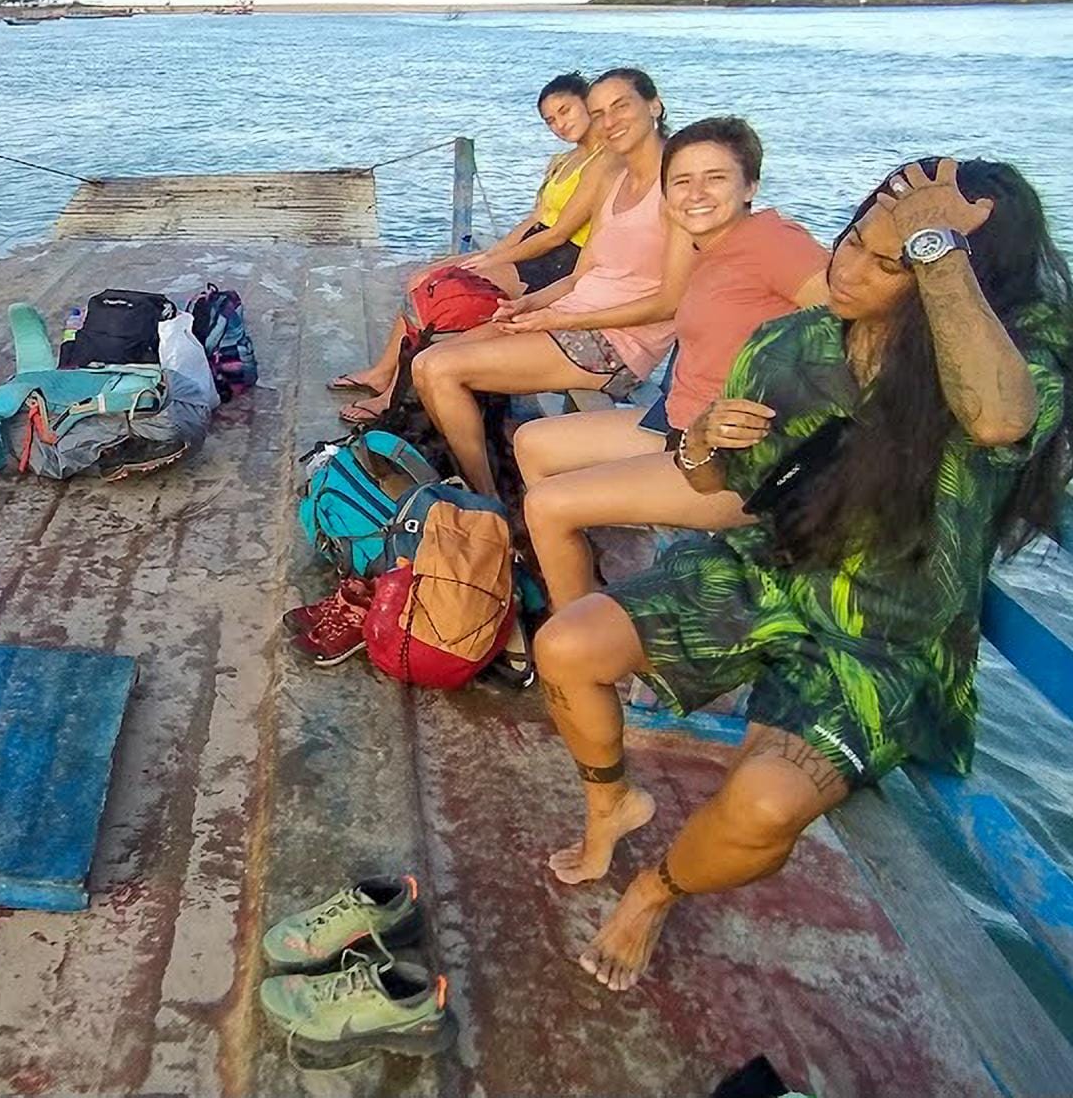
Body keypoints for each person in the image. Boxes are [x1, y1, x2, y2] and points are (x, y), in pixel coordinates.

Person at [534, 157, 1069, 992]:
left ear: (958, 277)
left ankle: (656, 891)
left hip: (885, 639)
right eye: (852, 241)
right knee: (565, 646)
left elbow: (999, 419)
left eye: (890, 262)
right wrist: (702, 441)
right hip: (769, 573)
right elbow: (722, 486)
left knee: (763, 806)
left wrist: (934, 243)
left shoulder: (1015, 362)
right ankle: (613, 804)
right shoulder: (796, 342)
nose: (847, 271)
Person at [514, 117, 830, 607]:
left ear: (750, 186)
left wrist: (800, 425)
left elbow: (853, 323)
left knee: (548, 505)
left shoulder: (773, 242)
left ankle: (574, 624)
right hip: (678, 425)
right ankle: (584, 583)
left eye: (716, 178)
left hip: (737, 461)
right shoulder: (709, 245)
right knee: (532, 444)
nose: (695, 193)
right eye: (681, 181)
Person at [407, 68, 679, 495]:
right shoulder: (615, 180)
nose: (609, 121)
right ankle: (484, 484)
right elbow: (581, 276)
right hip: (571, 317)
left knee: (442, 371)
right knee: (426, 362)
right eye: (599, 113)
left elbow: (670, 303)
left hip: (616, 345)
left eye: (621, 106)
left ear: (654, 105)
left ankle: (486, 501)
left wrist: (560, 320)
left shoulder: (676, 187)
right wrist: (531, 306)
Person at [333, 73, 618, 424]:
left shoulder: (603, 163)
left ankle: (393, 394)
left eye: (566, 111)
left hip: (557, 260)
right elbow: (535, 219)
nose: (560, 124)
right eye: (550, 120)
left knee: (438, 293)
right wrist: (494, 253)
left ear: (588, 104)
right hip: (534, 245)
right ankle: (382, 372)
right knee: (421, 278)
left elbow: (557, 235)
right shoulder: (564, 160)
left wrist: (496, 260)